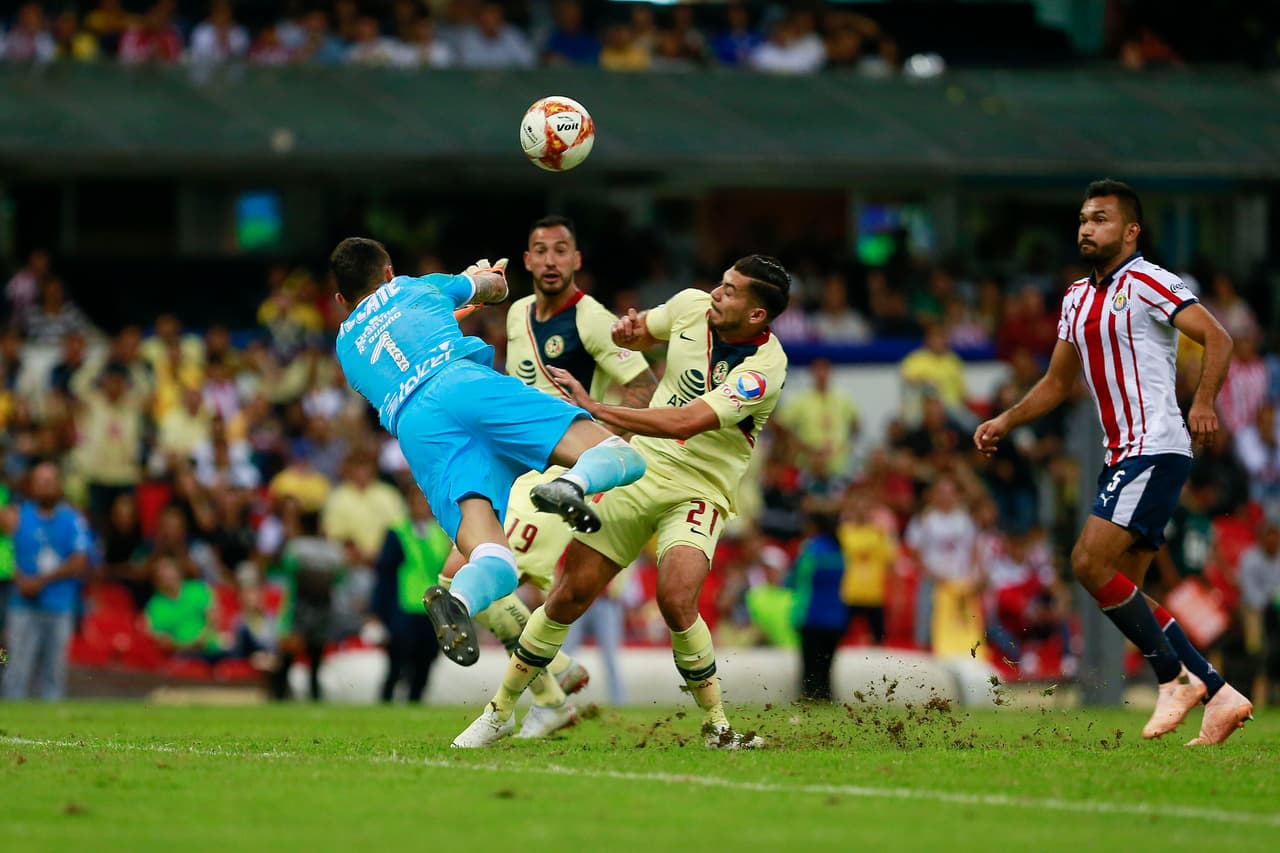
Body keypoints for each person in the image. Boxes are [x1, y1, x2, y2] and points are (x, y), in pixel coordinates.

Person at [453, 255, 790, 749]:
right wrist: (628, 332)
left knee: (676, 600)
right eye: (722, 282)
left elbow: (684, 422)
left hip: (699, 487)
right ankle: (500, 712)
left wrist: (593, 407)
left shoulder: (765, 369)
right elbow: (641, 331)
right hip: (640, 471)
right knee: (568, 595)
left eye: (732, 290)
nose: (717, 292)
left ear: (757, 315)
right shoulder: (692, 306)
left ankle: (717, 725)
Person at [974, 179, 1251, 745]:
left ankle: (1173, 680)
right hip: (1121, 454)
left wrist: (1201, 401)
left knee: (1086, 563)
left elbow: (1217, 337)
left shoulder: (1148, 279)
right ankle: (1218, 692)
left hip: (1154, 446)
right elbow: (1056, 383)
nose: (1085, 228)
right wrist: (1006, 419)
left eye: (1100, 218)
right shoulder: (1076, 298)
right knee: (1124, 591)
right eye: (1082, 218)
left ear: (1130, 231)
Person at [329, 238, 646, 667]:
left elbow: (397, 340)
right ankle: (570, 485)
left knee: (493, 560)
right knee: (620, 454)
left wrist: (453, 308)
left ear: (339, 299)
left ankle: (458, 598)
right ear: (388, 273)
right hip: (462, 384)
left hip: (418, 429)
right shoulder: (415, 286)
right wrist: (488, 278)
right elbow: (493, 290)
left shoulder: (346, 348)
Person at [437, 216, 657, 737]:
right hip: (521, 469)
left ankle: (546, 689)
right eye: (541, 250)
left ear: (577, 261)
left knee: (478, 578)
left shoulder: (592, 319)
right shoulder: (515, 314)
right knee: (455, 572)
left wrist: (592, 442)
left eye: (562, 250)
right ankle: (554, 686)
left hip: (563, 479)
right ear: (528, 261)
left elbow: (644, 387)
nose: (552, 259)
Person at [2, 462, 91, 700]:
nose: (45, 487)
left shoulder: (73, 519)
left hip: (59, 605)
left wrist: (40, 581)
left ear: (59, 485)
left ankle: (53, 728)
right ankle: (11, 723)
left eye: (50, 482)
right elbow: (4, 550)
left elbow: (80, 561)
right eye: (40, 482)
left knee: (54, 672)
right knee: (16, 669)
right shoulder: (16, 516)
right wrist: (20, 578)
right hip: (22, 604)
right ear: (31, 487)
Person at [371, 489, 451, 703]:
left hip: (432, 608)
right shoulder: (397, 532)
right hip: (403, 604)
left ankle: (416, 699)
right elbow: (385, 574)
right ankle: (387, 698)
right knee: (398, 657)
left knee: (427, 657)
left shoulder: (439, 533)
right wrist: (378, 610)